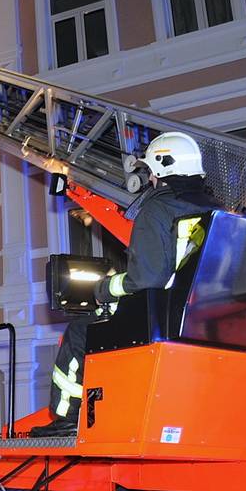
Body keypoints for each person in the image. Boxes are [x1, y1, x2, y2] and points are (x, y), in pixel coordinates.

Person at [30, 131, 220, 438]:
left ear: (161, 168)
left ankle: (67, 417)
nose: (149, 180)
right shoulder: (214, 208)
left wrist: (104, 288)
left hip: (162, 315)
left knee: (80, 332)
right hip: (202, 317)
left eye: (150, 173)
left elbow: (148, 278)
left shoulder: (157, 209)